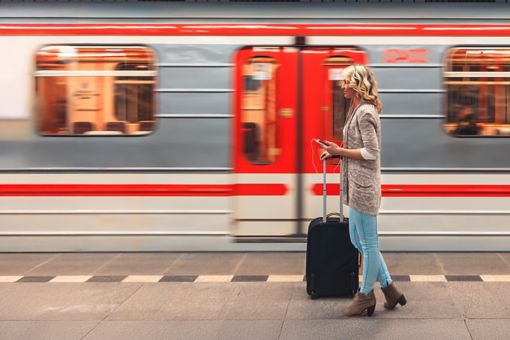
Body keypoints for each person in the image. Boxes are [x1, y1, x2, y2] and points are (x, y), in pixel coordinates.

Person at [320, 65, 407, 317]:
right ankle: (390, 287)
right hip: (355, 185)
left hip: (365, 187)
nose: (342, 86)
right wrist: (335, 150)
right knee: (356, 240)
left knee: (368, 244)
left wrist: (340, 152)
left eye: (346, 82)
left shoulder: (365, 112)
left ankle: (365, 295)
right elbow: (356, 145)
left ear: (358, 84)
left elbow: (371, 152)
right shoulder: (355, 109)